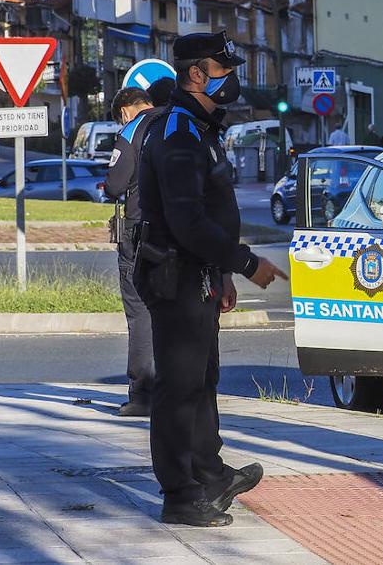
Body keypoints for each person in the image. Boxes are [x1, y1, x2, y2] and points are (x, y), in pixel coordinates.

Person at [136, 31, 288, 527]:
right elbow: (188, 222)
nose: (232, 79)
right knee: (178, 389)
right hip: (174, 275)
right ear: (195, 74)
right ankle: (180, 495)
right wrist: (246, 263)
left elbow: (211, 211)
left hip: (198, 274)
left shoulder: (200, 127)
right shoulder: (179, 132)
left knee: (202, 381)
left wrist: (222, 272)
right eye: (223, 70)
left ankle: (210, 472)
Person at [104, 86, 163, 418]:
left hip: (142, 230)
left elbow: (114, 184)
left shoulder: (132, 130)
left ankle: (141, 395)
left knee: (140, 311)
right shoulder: (176, 122)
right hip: (183, 231)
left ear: (125, 110)